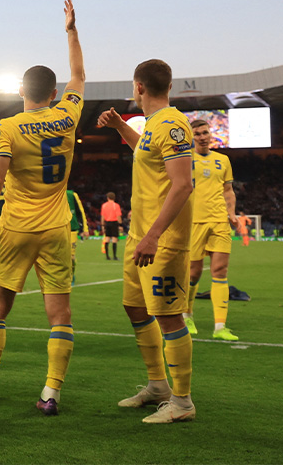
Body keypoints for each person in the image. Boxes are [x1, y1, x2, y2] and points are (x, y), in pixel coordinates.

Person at [0, 0, 84, 416]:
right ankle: (51, 393)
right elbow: (79, 75)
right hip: (57, 227)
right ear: (54, 94)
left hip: (16, 227)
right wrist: (71, 30)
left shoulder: (8, 126)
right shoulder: (68, 114)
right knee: (60, 313)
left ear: (21, 90)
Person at [97, 58, 196, 424]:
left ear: (139, 86)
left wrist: (154, 235)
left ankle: (182, 403)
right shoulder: (154, 125)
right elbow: (145, 152)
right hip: (138, 235)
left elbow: (182, 184)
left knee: (168, 317)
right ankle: (158, 386)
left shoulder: (172, 124)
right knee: (135, 308)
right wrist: (122, 127)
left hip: (163, 239)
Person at [184, 119, 239, 341]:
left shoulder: (223, 160)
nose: (202, 137)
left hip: (219, 221)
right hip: (194, 222)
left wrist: (232, 213)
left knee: (220, 271)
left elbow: (228, 190)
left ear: (210, 134)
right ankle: (187, 315)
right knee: (193, 273)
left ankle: (220, 327)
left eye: (205, 132)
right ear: (191, 137)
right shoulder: (185, 160)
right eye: (197, 134)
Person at [67, 189, 89, 284]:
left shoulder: (71, 195)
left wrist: (85, 229)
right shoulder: (51, 193)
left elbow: (80, 211)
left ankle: (71, 275)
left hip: (71, 229)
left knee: (71, 257)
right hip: (56, 229)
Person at [101, 192, 123, 260]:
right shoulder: (116, 205)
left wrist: (102, 225)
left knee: (107, 238)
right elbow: (118, 216)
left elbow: (102, 216)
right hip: (114, 223)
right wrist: (120, 224)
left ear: (107, 198)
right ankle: (114, 256)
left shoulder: (104, 205)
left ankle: (107, 256)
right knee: (114, 239)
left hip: (107, 223)